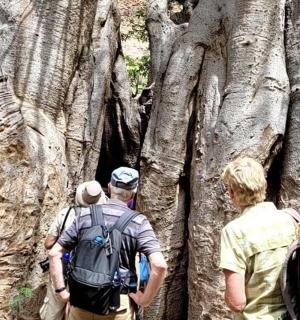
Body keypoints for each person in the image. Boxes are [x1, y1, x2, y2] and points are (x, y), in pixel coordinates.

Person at [49, 167, 167, 320]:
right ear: (133, 192)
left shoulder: (85, 214)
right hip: (117, 304)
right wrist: (145, 300)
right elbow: (159, 266)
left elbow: (54, 253)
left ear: (110, 187)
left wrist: (62, 292)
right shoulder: (139, 223)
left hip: (80, 300)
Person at [219, 157, 298, 319]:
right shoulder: (291, 220)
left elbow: (237, 302)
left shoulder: (233, 232)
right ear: (265, 186)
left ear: (232, 193)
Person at [40, 181, 107, 320]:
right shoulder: (105, 219)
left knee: (52, 311)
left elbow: (48, 244)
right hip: (88, 276)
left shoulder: (66, 214)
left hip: (61, 271)